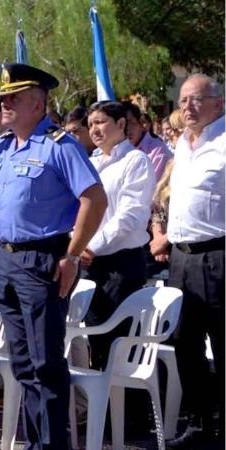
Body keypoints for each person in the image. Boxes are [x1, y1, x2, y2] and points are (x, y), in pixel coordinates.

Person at [0, 63, 107, 449]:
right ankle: (34, 441)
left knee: (45, 364)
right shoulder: (3, 147)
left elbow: (94, 198)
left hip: (42, 260)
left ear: (37, 105)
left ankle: (53, 444)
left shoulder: (59, 145)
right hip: (5, 261)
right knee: (22, 363)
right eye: (1, 99)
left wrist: (72, 256)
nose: (3, 104)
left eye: (12, 99)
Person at [164, 74, 224, 449]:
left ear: (218, 104)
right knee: (185, 344)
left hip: (217, 255)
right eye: (183, 100)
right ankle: (201, 424)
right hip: (180, 258)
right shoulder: (182, 145)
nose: (188, 107)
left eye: (197, 100)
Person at [80, 101, 155, 371]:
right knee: (96, 343)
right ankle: (106, 412)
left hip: (120, 265)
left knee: (121, 346)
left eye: (100, 122)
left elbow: (129, 216)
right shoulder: (90, 163)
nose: (95, 130)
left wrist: (92, 246)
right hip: (91, 263)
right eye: (90, 125)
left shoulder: (135, 161)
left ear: (121, 124)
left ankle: (131, 412)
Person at [123, 102, 173, 181]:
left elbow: (151, 187)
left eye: (131, 122)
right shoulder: (119, 150)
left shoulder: (157, 150)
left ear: (141, 124)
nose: (127, 129)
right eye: (122, 124)